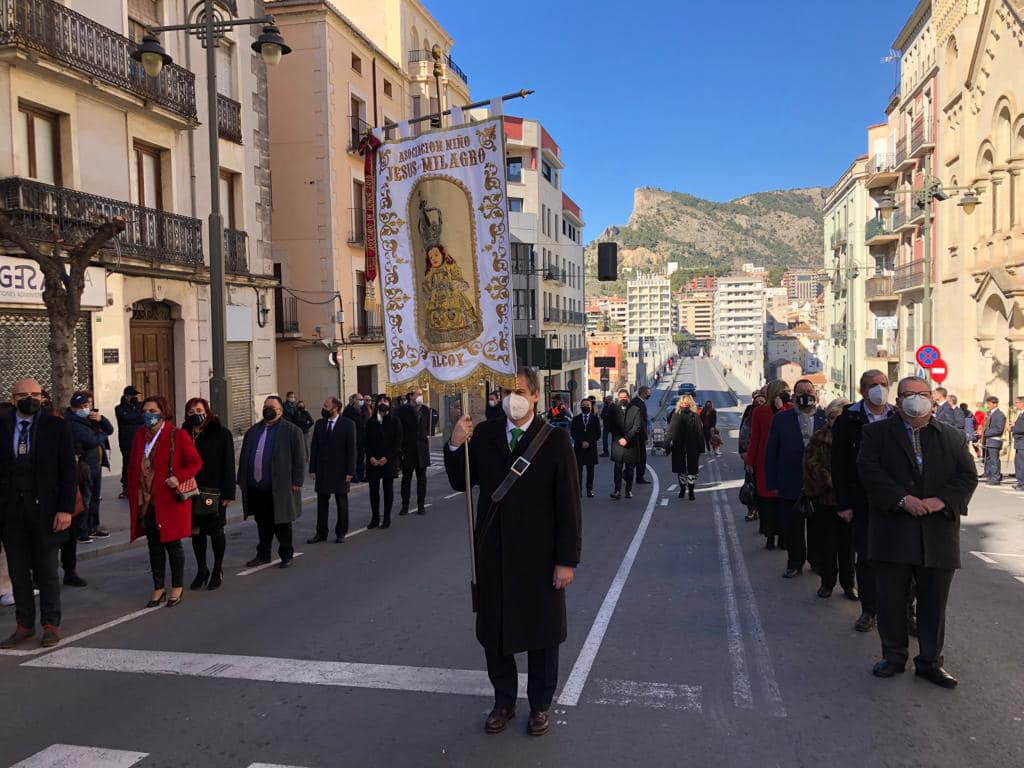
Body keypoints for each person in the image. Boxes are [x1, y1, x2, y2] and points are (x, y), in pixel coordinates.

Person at [445, 367, 582, 737]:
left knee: (542, 636)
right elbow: (461, 479)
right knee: (495, 635)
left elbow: (569, 506)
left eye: (520, 390)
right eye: (507, 390)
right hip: (493, 555)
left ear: (536, 396)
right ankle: (503, 701)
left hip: (539, 559)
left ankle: (540, 705)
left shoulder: (554, 441)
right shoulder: (486, 434)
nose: (513, 397)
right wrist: (456, 444)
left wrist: (565, 560)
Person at [858, 377, 978, 687]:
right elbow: (869, 472)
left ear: (932, 400)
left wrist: (941, 501)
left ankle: (930, 662)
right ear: (897, 401)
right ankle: (894, 656)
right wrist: (902, 499)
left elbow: (966, 477)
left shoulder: (951, 437)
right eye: (908, 395)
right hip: (893, 530)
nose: (915, 400)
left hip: (938, 535)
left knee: (934, 604)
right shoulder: (876, 434)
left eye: (922, 394)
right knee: (891, 601)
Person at [0, 378, 76, 649]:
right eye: (23, 394)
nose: (29, 399)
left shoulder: (56, 426)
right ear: (13, 397)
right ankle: (24, 625)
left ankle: (50, 624)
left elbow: (68, 470)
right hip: (11, 514)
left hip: (46, 512)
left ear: (42, 397)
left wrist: (65, 509)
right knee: (19, 573)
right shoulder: (3, 425)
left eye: (34, 394)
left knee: (46, 572)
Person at [832, 370, 894, 633]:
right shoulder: (849, 418)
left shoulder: (897, 415)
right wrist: (843, 503)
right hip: (861, 499)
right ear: (862, 390)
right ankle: (869, 610)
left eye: (883, 384)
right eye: (872, 385)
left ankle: (906, 611)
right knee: (867, 558)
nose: (878, 389)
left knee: (903, 559)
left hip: (895, 500)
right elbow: (840, 464)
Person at [126, 395, 202, 609]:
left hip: (168, 499)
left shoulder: (176, 435)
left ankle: (177, 586)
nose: (148, 415)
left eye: (152, 411)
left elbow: (195, 462)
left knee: (172, 544)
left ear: (163, 412)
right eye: (145, 411)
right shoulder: (140, 436)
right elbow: (133, 464)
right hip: (146, 500)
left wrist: (178, 477)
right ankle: (158, 586)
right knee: (154, 545)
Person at [764, 379, 826, 578]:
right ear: (794, 395)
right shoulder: (781, 419)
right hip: (790, 481)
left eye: (809, 391)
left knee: (818, 526)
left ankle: (816, 561)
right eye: (801, 391)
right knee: (793, 527)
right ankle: (794, 562)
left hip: (819, 484)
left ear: (815, 395)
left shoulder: (825, 418)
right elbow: (771, 452)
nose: (806, 394)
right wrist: (772, 483)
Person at [238, 396, 306, 569]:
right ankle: (263, 554)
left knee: (282, 523)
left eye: (272, 407)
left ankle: (286, 554)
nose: (268, 409)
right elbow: (245, 457)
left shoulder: (292, 431)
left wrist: (298, 481)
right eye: (266, 406)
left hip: (280, 487)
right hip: (258, 488)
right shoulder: (253, 431)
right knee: (262, 524)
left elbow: (300, 458)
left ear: (280, 411)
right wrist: (242, 480)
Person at [802, 398, 855, 599]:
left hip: (848, 500)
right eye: (832, 417)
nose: (835, 421)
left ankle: (849, 584)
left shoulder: (854, 436)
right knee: (828, 544)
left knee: (848, 547)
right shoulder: (819, 437)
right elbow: (810, 463)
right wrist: (828, 478)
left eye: (839, 417)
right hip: (825, 499)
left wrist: (846, 483)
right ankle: (827, 582)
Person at [183, 398, 235, 591]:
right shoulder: (184, 434)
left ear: (207, 411)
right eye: (191, 411)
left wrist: (228, 493)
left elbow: (229, 464)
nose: (195, 414)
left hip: (214, 491)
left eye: (199, 410)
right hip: (190, 492)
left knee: (215, 531)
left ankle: (217, 569)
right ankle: (202, 569)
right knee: (197, 532)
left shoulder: (221, 434)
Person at [746, 380, 792, 551]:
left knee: (783, 502)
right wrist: (750, 461)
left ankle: (782, 536)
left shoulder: (789, 410)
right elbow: (755, 438)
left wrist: (781, 408)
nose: (788, 393)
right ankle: (770, 535)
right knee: (767, 502)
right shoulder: (759, 412)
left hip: (785, 463)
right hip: (764, 462)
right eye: (784, 390)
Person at [65, 392, 114, 542]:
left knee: (94, 498)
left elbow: (110, 429)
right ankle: (81, 530)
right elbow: (91, 440)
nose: (88, 409)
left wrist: (101, 420)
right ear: (74, 408)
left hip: (96, 464)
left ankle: (93, 526)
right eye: (84, 406)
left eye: (88, 405)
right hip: (85, 466)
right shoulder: (73, 423)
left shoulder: (89, 419)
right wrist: (102, 433)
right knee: (85, 498)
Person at [308, 397, 356, 544]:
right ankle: (321, 533)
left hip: (340, 471)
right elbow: (314, 447)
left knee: (341, 502)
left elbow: (351, 450)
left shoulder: (348, 425)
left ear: (335, 408)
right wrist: (312, 469)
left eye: (326, 406)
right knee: (322, 503)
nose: (324, 408)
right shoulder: (320, 424)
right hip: (323, 470)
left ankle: (341, 532)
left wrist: (350, 472)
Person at [364, 394, 403, 529]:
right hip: (373, 461)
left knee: (388, 489)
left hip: (389, 460)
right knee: (373, 490)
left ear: (389, 404)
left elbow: (397, 442)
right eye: (380, 401)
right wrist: (371, 457)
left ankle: (386, 518)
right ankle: (375, 517)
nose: (382, 403)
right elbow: (366, 442)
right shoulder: (371, 421)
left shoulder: (395, 421)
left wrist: (387, 457)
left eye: (385, 401)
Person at [397, 387, 431, 516]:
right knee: (407, 479)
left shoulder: (425, 410)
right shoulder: (402, 410)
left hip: (422, 448)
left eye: (421, 394)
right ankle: (405, 506)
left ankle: (421, 505)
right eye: (418, 394)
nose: (420, 397)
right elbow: (400, 430)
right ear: (411, 396)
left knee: (422, 479)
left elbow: (427, 427)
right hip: (408, 449)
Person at [667, 394, 704, 500]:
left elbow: (699, 432)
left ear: (690, 403)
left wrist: (701, 448)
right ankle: (683, 489)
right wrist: (666, 444)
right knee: (681, 469)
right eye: (683, 403)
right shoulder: (675, 415)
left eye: (686, 403)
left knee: (692, 470)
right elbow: (671, 431)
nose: (684, 405)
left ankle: (691, 491)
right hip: (679, 446)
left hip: (692, 446)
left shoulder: (695, 416)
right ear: (680, 403)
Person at [608, 388, 642, 500]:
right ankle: (617, 490)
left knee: (630, 469)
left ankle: (628, 490)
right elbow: (610, 425)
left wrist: (626, 438)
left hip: (631, 444)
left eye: (624, 397)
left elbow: (636, 427)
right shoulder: (614, 410)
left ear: (628, 397)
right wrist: (619, 437)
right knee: (617, 468)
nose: (622, 399)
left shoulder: (635, 409)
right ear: (618, 398)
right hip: (618, 443)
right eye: (620, 398)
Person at [739, 390, 766, 522]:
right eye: (757, 402)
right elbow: (742, 433)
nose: (760, 403)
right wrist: (742, 452)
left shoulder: (768, 414)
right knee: (750, 484)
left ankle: (761, 509)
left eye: (762, 401)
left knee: (761, 485)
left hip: (763, 456)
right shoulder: (749, 413)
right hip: (750, 455)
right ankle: (751, 510)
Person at [115, 385, 144, 498]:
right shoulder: (119, 408)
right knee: (127, 464)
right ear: (126, 396)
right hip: (126, 441)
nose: (135, 397)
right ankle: (126, 487)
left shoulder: (140, 406)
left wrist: (136, 416)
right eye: (133, 395)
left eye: (136, 395)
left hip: (141, 439)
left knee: (141, 463)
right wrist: (138, 417)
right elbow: (126, 418)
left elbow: (143, 417)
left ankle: (139, 487)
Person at [570, 398, 601, 497]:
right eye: (584, 405)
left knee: (590, 471)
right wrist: (581, 442)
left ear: (591, 407)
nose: (586, 407)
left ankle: (589, 490)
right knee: (578, 471)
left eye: (588, 405)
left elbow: (598, 434)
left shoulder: (595, 419)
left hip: (591, 448)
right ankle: (579, 490)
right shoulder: (575, 419)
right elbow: (573, 433)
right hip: (579, 448)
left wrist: (589, 442)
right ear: (580, 407)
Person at [341, 394, 368, 484]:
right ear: (353, 400)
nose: (361, 401)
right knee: (354, 458)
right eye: (359, 399)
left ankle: (361, 475)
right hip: (353, 438)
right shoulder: (348, 410)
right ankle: (353, 475)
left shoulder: (363, 409)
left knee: (361, 457)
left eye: (362, 399)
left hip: (362, 437)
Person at [982, 395, 1005, 485]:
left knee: (994, 460)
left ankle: (996, 478)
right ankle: (990, 476)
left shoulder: (999, 414)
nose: (987, 405)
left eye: (989, 403)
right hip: (988, 440)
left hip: (994, 440)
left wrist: (985, 432)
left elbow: (999, 429)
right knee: (989, 460)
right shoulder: (989, 413)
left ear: (995, 404)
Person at [634, 386, 652, 484]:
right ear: (644, 393)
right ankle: (639, 477)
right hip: (639, 436)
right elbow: (641, 422)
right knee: (641, 457)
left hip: (634, 434)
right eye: (648, 393)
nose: (649, 395)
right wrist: (645, 437)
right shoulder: (640, 404)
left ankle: (628, 473)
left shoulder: (634, 402)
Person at [1012, 396, 1024, 491]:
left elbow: (1022, 428)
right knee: (1018, 463)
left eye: (1017, 402)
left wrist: (1012, 429)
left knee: (1021, 464)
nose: (1016, 405)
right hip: (1019, 442)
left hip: (1022, 443)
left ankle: (1022, 484)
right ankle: (1020, 482)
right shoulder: (1020, 414)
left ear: (1022, 403)